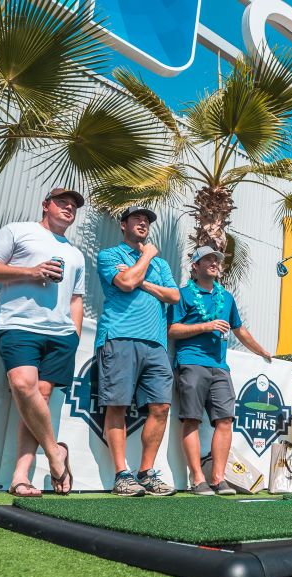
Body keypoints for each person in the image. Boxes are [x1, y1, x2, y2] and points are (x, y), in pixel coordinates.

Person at [0, 188, 86, 497]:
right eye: (62, 202)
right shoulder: (18, 231)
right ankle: (55, 453)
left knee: (40, 404)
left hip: (61, 336)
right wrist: (30, 271)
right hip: (19, 325)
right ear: (45, 205)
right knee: (23, 386)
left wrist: (74, 335)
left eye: (73, 205)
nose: (68, 208)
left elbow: (77, 299)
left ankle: (20, 477)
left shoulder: (75, 253)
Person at [168, 246, 273, 495]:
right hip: (191, 362)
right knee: (191, 419)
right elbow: (172, 330)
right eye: (208, 259)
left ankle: (217, 477)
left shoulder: (226, 297)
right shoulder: (183, 295)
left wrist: (262, 352)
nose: (214, 263)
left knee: (225, 420)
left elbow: (240, 330)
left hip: (219, 367)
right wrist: (205, 326)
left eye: (216, 259)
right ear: (195, 266)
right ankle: (197, 479)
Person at [95, 205, 182, 496]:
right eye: (137, 218)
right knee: (117, 404)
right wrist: (146, 256)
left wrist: (143, 280)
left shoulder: (162, 265)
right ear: (123, 225)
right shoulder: (110, 255)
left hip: (155, 343)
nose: (143, 223)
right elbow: (125, 282)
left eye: (146, 220)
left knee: (161, 407)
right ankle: (122, 474)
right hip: (119, 337)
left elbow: (173, 295)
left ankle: (145, 473)